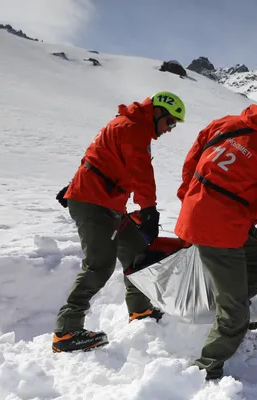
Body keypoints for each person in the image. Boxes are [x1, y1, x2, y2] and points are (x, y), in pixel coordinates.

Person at [174, 77, 257, 380]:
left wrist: (189, 198)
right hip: (220, 229)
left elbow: (192, 160)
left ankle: (232, 307)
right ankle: (205, 370)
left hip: (200, 217)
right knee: (235, 312)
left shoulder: (226, 124)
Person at [52, 91, 186, 353]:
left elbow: (100, 155)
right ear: (158, 112)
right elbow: (141, 172)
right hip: (95, 204)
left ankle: (140, 310)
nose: (170, 129)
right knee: (99, 265)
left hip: (106, 202)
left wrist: (74, 185)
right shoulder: (133, 127)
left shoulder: (125, 124)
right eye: (170, 122)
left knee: (137, 252)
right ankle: (66, 331)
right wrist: (148, 210)